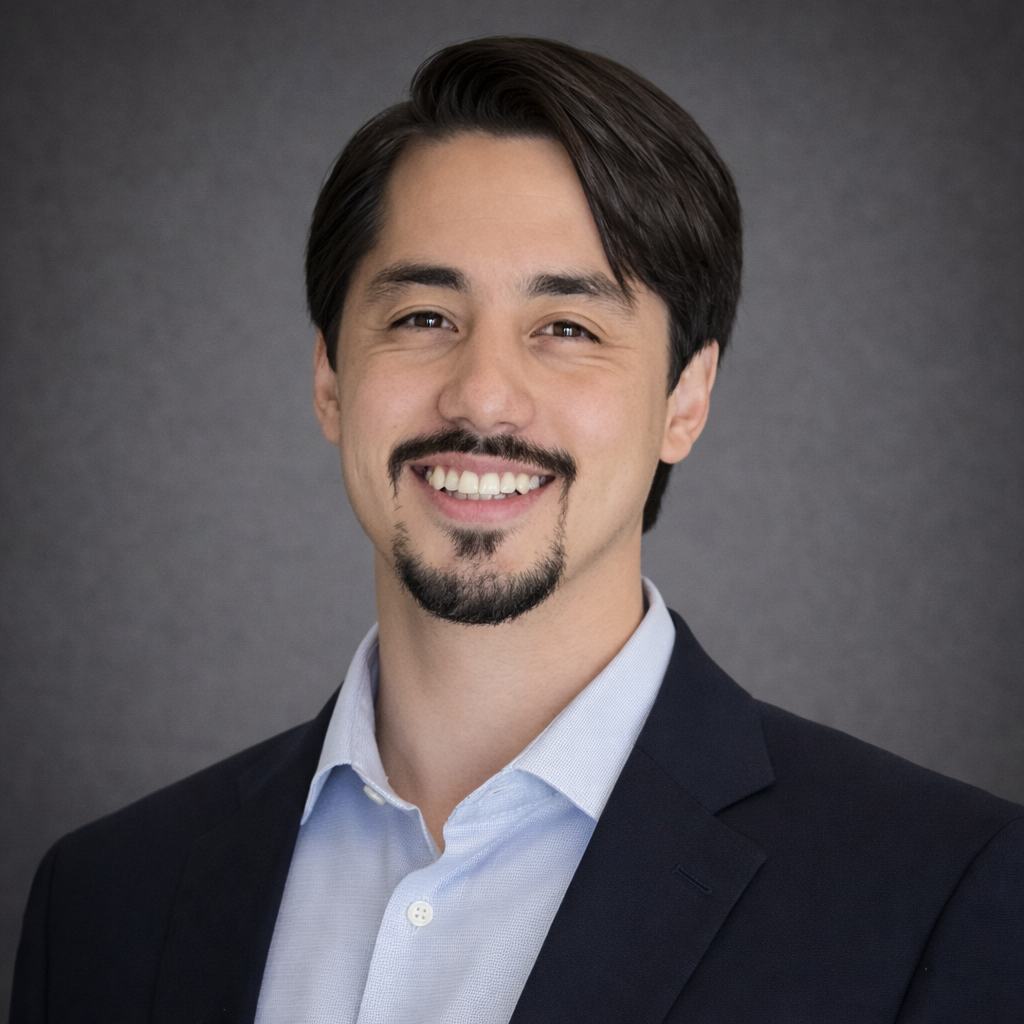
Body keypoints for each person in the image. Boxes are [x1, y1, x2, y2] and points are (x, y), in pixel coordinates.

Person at [11, 36, 1023, 1024]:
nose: (483, 394)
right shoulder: (106, 900)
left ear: (686, 397)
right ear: (330, 376)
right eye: (421, 317)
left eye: (568, 328)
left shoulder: (938, 890)